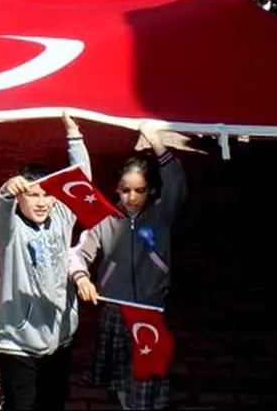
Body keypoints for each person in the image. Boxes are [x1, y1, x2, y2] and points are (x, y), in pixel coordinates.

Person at [70, 124, 189, 411]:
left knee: (147, 377)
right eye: (125, 190)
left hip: (149, 312)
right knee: (123, 379)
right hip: (115, 310)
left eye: (140, 191)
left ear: (151, 191)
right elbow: (77, 254)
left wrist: (157, 144)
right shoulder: (104, 219)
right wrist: (82, 278)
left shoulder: (161, 215)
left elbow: (177, 184)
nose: (132, 198)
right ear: (116, 189)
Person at [0, 113, 92, 411]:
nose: (41, 202)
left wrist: (74, 133)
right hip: (17, 341)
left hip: (60, 336)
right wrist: (7, 192)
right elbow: (0, 212)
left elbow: (81, 178)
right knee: (21, 404)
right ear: (21, 198)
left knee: (53, 402)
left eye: (47, 195)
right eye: (32, 195)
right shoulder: (8, 230)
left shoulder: (61, 215)